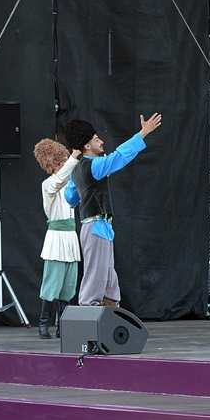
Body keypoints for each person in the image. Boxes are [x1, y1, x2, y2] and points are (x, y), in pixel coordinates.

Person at [65, 113, 163, 307]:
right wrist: (143, 133)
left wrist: (85, 187)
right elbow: (119, 157)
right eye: (96, 139)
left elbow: (70, 198)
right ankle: (88, 312)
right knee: (95, 276)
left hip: (97, 227)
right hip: (96, 226)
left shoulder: (77, 170)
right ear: (87, 145)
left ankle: (110, 308)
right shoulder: (95, 165)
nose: (101, 142)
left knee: (108, 275)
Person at [32, 139, 82, 338]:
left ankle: (63, 325)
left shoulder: (70, 185)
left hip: (70, 238)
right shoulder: (48, 185)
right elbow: (59, 180)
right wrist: (74, 157)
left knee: (69, 286)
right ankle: (43, 323)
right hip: (56, 239)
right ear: (52, 165)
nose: (64, 166)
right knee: (52, 282)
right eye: (61, 163)